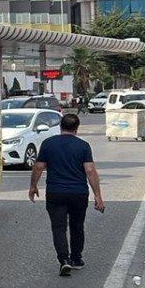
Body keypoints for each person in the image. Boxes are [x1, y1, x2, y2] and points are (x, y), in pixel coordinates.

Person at [29, 113, 105, 276]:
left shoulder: (48, 143)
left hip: (55, 193)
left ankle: (64, 260)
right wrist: (98, 195)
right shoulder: (83, 146)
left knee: (58, 227)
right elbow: (90, 170)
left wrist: (33, 186)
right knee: (77, 226)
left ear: (60, 126)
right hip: (78, 193)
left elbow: (38, 167)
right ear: (77, 128)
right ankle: (76, 259)